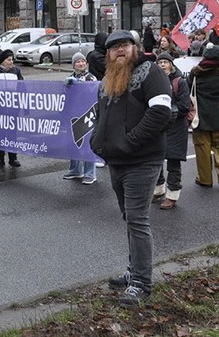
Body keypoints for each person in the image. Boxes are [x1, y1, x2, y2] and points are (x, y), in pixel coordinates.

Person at [90, 30, 172, 307]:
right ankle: (134, 271)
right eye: (114, 47)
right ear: (108, 54)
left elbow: (161, 112)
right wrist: (96, 141)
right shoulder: (107, 79)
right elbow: (100, 114)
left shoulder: (150, 72)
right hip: (116, 160)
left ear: (134, 49)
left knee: (137, 219)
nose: (119, 50)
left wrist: (130, 142)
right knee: (129, 218)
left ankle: (141, 283)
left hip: (142, 159)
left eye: (125, 45)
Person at [189, 43, 219, 187]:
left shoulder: (195, 72)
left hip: (201, 116)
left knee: (202, 148)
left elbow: (189, 85)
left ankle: (204, 179)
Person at [153, 51, 190, 209]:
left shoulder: (180, 82)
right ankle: (159, 189)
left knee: (173, 161)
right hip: (159, 126)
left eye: (165, 62)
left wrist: (165, 111)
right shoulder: (154, 81)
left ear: (171, 64)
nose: (162, 65)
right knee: (155, 160)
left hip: (176, 126)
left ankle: (172, 195)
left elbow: (184, 106)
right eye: (160, 62)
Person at [63, 52, 97, 184]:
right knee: (73, 144)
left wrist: (79, 85)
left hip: (87, 114)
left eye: (83, 61)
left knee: (87, 145)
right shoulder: (69, 78)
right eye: (78, 62)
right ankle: (75, 170)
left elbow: (92, 94)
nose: (81, 63)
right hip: (74, 114)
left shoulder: (91, 78)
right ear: (73, 65)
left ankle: (90, 174)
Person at [0, 49, 23, 169]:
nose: (11, 62)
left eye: (12, 59)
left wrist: (23, 105)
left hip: (13, 108)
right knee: (0, 134)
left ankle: (13, 158)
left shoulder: (16, 71)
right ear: (2, 61)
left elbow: (22, 87)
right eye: (9, 59)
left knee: (12, 133)